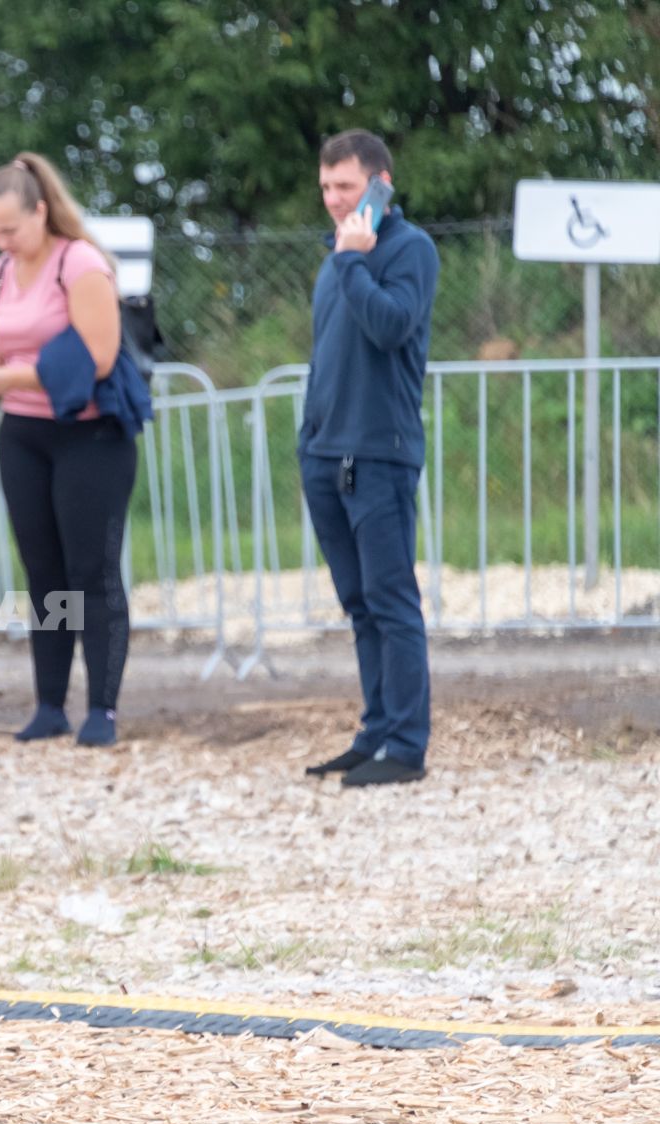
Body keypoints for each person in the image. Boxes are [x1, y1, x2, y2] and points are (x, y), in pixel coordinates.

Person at [0, 152, 136, 748]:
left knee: (92, 572)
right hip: (23, 435)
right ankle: (50, 703)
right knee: (44, 573)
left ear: (41, 211)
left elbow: (99, 356)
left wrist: (6, 379)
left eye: (11, 228)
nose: (2, 240)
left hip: (89, 433)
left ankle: (102, 708)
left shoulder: (80, 264)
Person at [299, 129, 438, 787]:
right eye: (326, 187)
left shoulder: (409, 251)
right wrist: (311, 436)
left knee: (390, 600)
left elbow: (390, 326)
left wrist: (353, 259)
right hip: (324, 453)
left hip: (378, 455)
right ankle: (375, 731)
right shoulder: (336, 258)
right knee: (359, 603)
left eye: (345, 187)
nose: (332, 200)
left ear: (381, 184)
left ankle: (406, 746)